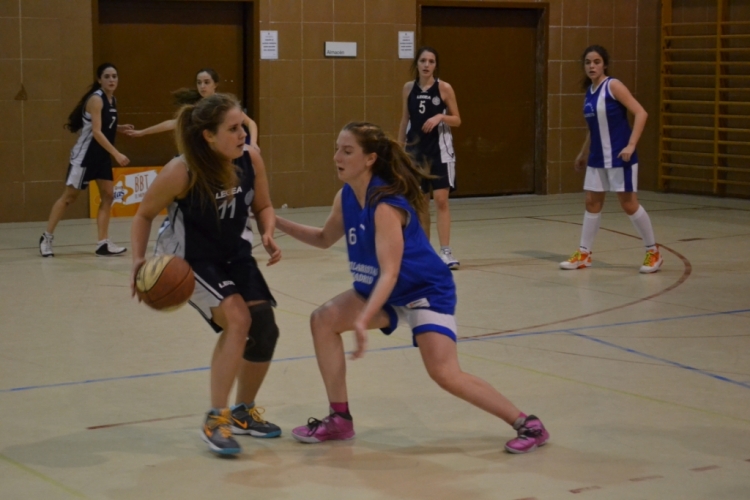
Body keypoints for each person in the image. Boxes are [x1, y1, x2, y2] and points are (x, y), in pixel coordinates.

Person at [275, 122, 549, 454]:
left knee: (445, 374)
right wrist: (274, 220)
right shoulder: (345, 196)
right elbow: (322, 238)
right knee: (323, 320)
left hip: (423, 291)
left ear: (370, 159)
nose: (337, 157)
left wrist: (363, 319)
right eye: (337, 149)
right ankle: (340, 419)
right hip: (385, 291)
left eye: (347, 151)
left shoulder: (385, 205)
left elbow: (390, 272)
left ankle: (528, 424)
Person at [130, 93, 282, 457]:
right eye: (233, 129)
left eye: (242, 126)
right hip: (191, 259)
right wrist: (137, 261)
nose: (242, 134)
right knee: (238, 320)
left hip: (235, 253)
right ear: (209, 136)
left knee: (264, 327)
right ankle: (216, 418)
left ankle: (243, 411)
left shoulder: (251, 158)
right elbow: (143, 214)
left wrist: (267, 231)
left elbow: (263, 205)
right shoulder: (181, 170)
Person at [560, 45, 662, 273]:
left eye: (596, 62)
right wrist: (583, 152)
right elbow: (594, 128)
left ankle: (653, 251)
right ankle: (584, 253)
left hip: (619, 156)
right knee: (591, 203)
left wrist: (631, 145)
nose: (592, 66)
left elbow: (641, 113)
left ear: (604, 64)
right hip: (597, 157)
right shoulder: (589, 92)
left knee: (629, 204)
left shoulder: (613, 86)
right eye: (588, 62)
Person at [39, 63, 133, 257]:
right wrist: (117, 153)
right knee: (69, 198)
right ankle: (46, 237)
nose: (112, 80)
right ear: (99, 80)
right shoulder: (96, 100)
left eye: (114, 76)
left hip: (101, 156)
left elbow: (103, 125)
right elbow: (96, 132)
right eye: (107, 76)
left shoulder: (112, 99)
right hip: (85, 156)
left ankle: (103, 243)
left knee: (108, 195)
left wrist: (119, 127)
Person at [398, 47, 461, 270]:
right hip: (416, 153)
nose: (426, 65)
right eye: (423, 60)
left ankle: (446, 252)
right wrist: (399, 150)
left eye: (431, 61)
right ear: (416, 63)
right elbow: (405, 119)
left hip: (440, 151)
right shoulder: (408, 88)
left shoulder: (444, 88)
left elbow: (457, 119)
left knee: (441, 200)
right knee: (421, 203)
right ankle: (425, 252)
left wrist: (440, 116)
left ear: (435, 65)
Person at [125, 68, 259, 149]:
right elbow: (173, 124)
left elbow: (250, 123)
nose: (202, 86)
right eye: (199, 82)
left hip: (231, 147)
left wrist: (253, 144)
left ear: (215, 84)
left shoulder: (224, 103)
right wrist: (143, 132)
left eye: (206, 82)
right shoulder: (197, 107)